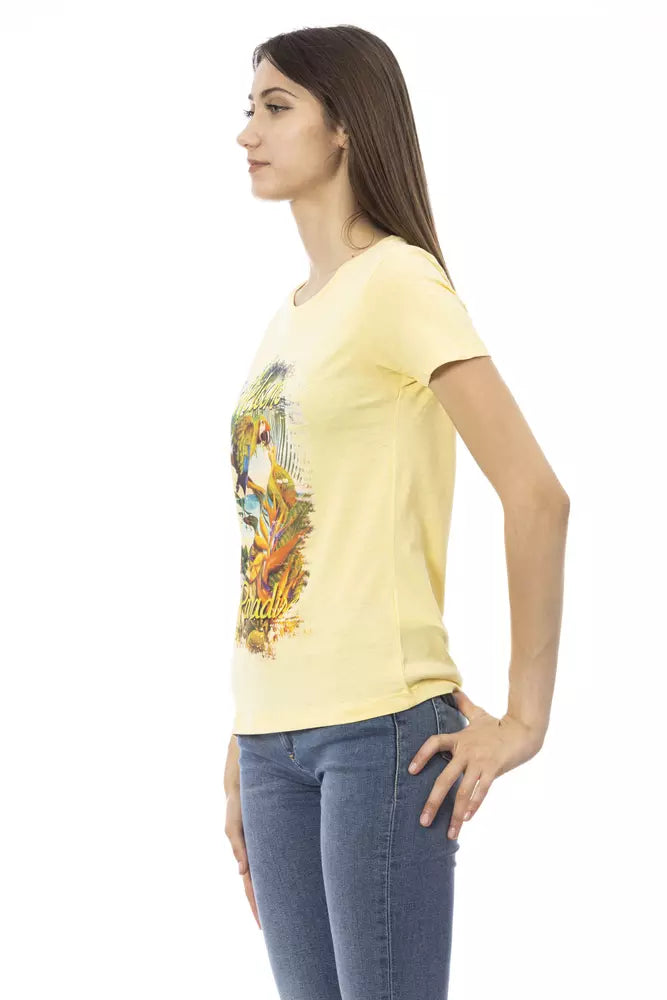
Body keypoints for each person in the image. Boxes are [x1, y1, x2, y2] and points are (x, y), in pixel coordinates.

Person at [224, 24, 570, 1000]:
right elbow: (277, 538)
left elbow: (536, 494)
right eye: (248, 109)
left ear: (344, 126)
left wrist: (524, 720)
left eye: (276, 107)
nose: (247, 132)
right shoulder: (290, 316)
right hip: (271, 741)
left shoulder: (398, 281)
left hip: (378, 731)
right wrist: (242, 736)